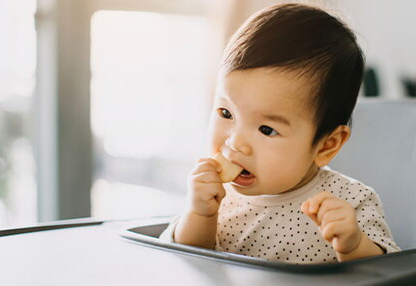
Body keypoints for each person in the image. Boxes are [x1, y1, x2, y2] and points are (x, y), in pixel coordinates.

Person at [160, 3, 399, 264]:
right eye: (226, 113)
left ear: (326, 146)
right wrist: (200, 215)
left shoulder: (350, 201)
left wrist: (353, 246)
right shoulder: (216, 197)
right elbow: (185, 262)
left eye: (266, 129)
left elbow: (393, 273)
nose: (235, 142)